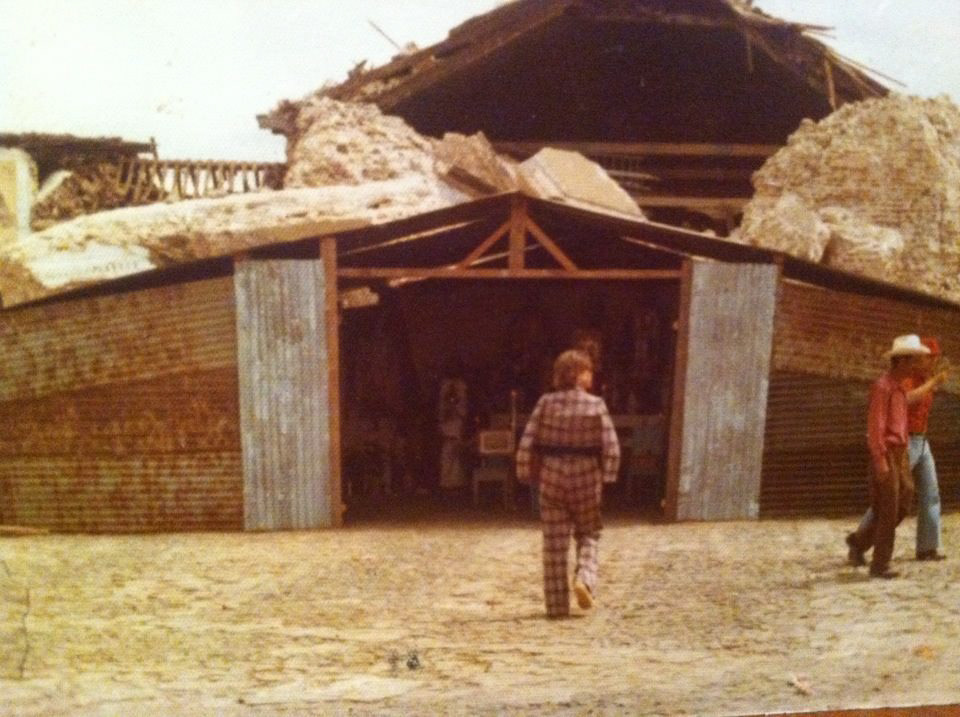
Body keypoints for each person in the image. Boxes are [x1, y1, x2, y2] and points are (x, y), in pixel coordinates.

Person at [515, 349, 620, 618]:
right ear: (580, 375)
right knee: (589, 532)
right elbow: (611, 445)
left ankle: (556, 607)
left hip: (552, 475)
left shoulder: (545, 403)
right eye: (589, 371)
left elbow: (528, 439)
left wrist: (524, 471)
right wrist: (608, 475)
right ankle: (584, 578)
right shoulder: (596, 405)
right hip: (586, 476)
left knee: (554, 543)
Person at [848, 336, 949, 565]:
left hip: (920, 440)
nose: (932, 362)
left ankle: (927, 546)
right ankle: (861, 543)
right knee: (889, 499)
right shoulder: (902, 381)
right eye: (929, 358)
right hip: (904, 443)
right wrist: (932, 384)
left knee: (929, 494)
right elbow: (907, 401)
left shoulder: (918, 378)